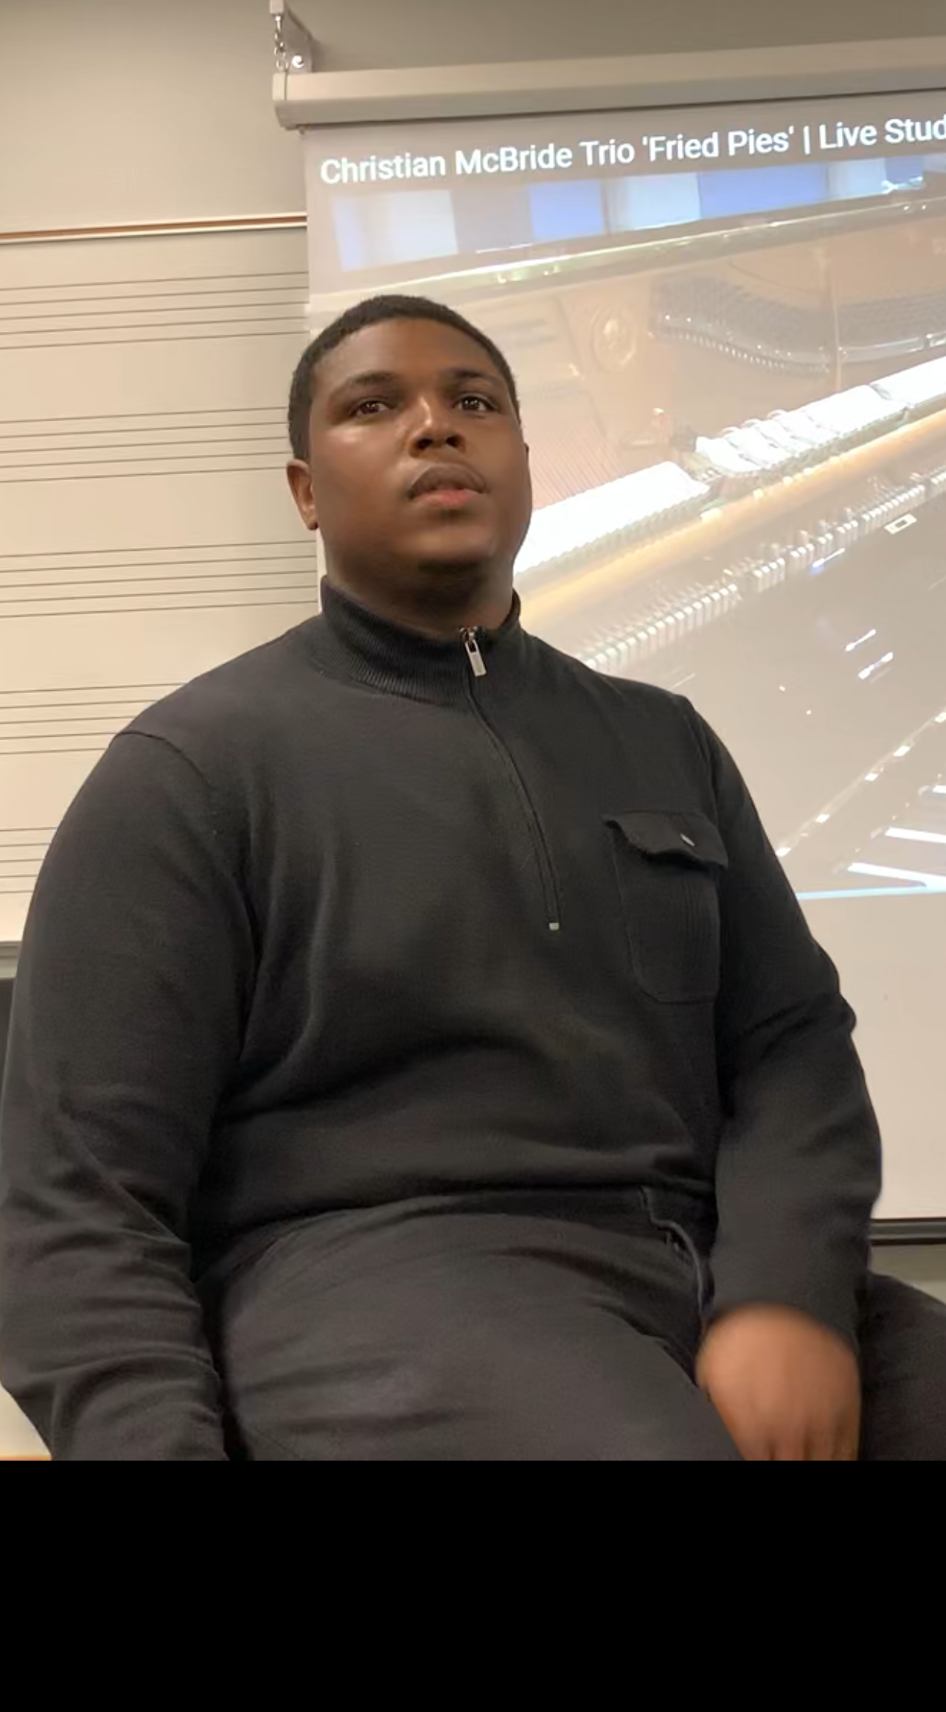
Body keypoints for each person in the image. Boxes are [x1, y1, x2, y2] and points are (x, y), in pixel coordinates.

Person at [1, 292, 943, 1462]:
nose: (434, 424)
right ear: (304, 490)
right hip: (378, 1283)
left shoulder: (663, 738)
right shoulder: (189, 771)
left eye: (474, 400)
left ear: (525, 462)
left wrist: (785, 1293)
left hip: (700, 1268)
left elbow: (789, 1046)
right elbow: (77, 1200)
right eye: (373, 406)